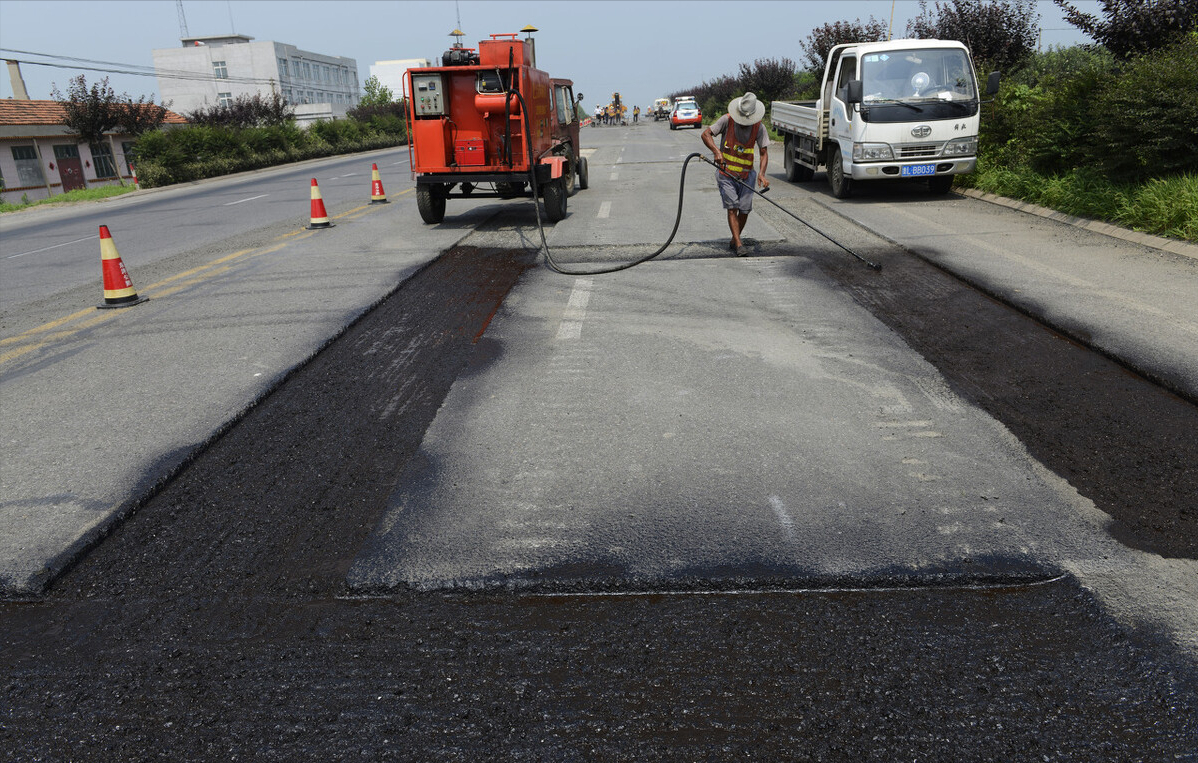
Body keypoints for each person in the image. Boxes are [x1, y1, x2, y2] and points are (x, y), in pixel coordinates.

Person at [701, 91, 770, 256]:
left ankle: (734, 239)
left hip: (747, 175)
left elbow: (763, 152)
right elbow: (706, 134)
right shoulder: (727, 120)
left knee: (744, 209)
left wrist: (761, 173)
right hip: (726, 173)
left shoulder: (759, 127)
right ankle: (739, 244)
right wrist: (717, 152)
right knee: (732, 207)